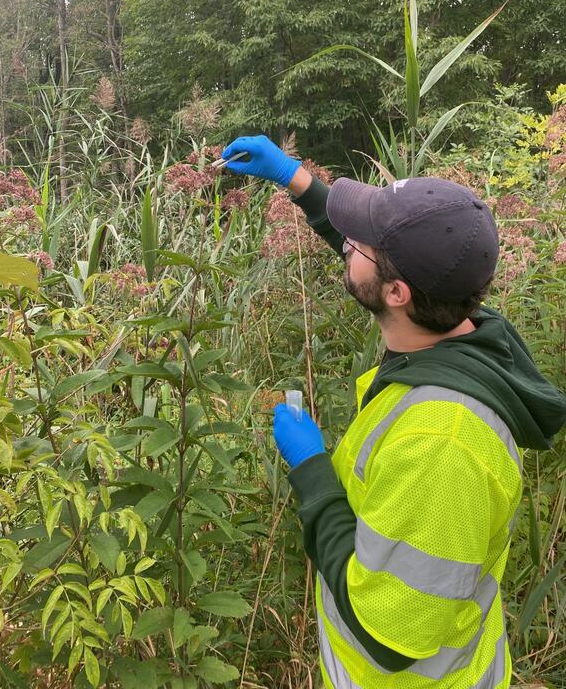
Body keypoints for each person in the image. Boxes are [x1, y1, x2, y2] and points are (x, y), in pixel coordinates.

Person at [221, 134, 566, 689]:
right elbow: (375, 266)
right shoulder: (460, 326)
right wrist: (295, 179)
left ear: (399, 293)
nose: (348, 243)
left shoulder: (443, 444)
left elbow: (385, 637)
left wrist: (312, 471)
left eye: (360, 242)